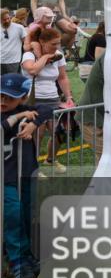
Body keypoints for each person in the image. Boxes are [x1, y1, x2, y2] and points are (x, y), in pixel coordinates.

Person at [2, 74, 51, 278]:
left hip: (26, 173)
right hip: (5, 177)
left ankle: (31, 256)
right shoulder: (14, 113)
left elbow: (48, 109)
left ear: (22, 97)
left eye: (9, 98)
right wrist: (21, 115)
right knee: (12, 215)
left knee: (28, 213)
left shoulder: (29, 109)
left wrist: (33, 124)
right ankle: (17, 261)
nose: (3, 101)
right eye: (1, 95)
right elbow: (3, 127)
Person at [20, 27, 75, 173]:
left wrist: (68, 96)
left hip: (53, 99)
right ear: (42, 42)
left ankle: (51, 160)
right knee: (37, 135)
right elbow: (32, 70)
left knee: (60, 132)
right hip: (34, 100)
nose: (57, 47)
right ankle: (33, 167)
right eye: (53, 44)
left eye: (58, 43)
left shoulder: (58, 56)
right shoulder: (29, 55)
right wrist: (44, 57)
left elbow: (62, 78)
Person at [1, 9, 27, 75]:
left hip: (14, 61)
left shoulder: (19, 28)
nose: (7, 21)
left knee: (12, 80)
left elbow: (26, 42)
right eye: (4, 20)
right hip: (1, 61)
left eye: (8, 18)